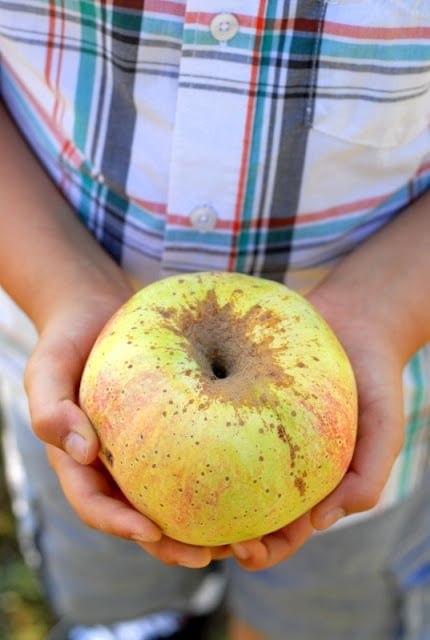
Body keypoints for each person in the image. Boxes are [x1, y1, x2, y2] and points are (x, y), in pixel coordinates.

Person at [1, 2, 430, 639]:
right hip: (79, 390)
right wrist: (58, 285)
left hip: (361, 417)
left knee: (318, 612)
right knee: (116, 598)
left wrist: (389, 309)